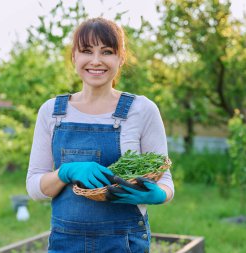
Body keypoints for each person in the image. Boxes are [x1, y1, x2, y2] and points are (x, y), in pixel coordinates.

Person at [26, 17, 174, 253]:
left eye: (106, 51)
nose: (96, 61)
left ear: (120, 58)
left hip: (124, 243)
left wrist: (157, 195)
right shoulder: (52, 112)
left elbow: (166, 183)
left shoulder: (142, 110)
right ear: (74, 56)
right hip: (65, 244)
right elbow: (34, 187)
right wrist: (65, 172)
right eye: (86, 51)